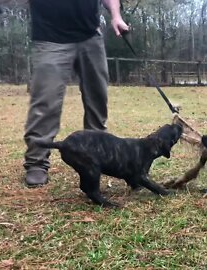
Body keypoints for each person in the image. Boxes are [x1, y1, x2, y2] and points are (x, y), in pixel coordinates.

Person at [23, 0, 129, 187]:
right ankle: (36, 163)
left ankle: (96, 154)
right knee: (45, 102)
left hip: (90, 35)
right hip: (49, 38)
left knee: (98, 100)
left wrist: (116, 15)